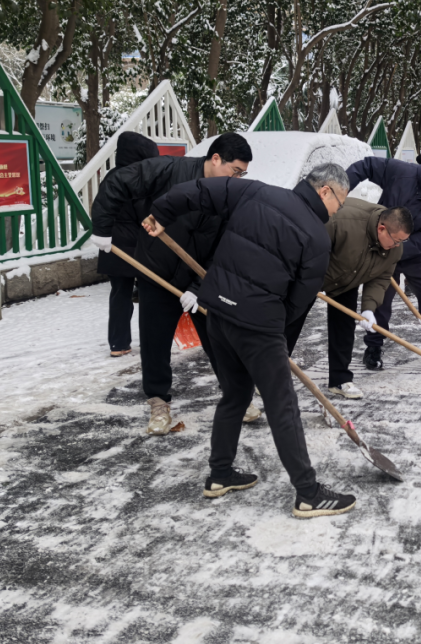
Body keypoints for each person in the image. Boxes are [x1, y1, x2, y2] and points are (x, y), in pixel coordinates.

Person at [145, 163, 358, 517]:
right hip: (259, 327)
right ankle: (308, 493)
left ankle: (220, 473)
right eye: (340, 201)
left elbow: (198, 191)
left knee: (235, 395)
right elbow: (299, 301)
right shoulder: (318, 238)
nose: (339, 210)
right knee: (282, 406)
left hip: (217, 314)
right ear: (325, 191)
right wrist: (272, 328)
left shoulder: (255, 190)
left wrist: (161, 212)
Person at [90, 132, 254, 435]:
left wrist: (197, 286)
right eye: (236, 171)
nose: (239, 178)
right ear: (216, 159)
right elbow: (118, 181)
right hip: (157, 273)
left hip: (201, 278)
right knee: (155, 342)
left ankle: (238, 396)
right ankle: (159, 404)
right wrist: (102, 226)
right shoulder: (168, 170)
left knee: (220, 338)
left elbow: (225, 247)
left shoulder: (232, 195)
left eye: (243, 174)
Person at [346, 154, 421, 369]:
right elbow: (367, 165)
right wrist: (341, 190)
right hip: (381, 245)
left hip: (413, 253)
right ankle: (373, 346)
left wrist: (398, 248)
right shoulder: (402, 173)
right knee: (380, 300)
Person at [284, 202, 412, 399]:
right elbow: (308, 248)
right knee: (291, 322)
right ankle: (269, 373)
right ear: (382, 228)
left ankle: (340, 379)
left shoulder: (395, 249)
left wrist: (369, 308)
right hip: (312, 274)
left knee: (344, 327)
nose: (397, 246)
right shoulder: (342, 222)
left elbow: (381, 278)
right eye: (396, 240)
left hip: (348, 279)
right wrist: (306, 280)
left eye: (401, 242)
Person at [95, 132, 159, 358]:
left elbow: (100, 208)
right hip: (139, 246)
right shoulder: (139, 177)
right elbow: (146, 214)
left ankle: (118, 344)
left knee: (120, 293)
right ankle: (154, 341)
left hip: (114, 245)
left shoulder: (112, 176)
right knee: (149, 294)